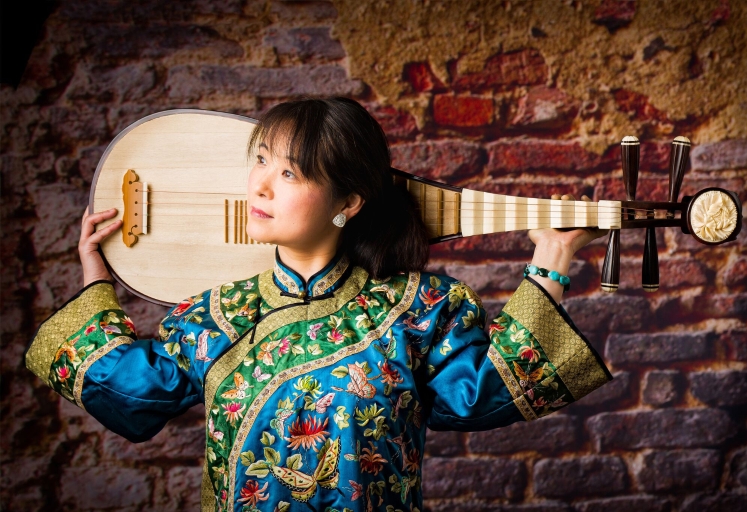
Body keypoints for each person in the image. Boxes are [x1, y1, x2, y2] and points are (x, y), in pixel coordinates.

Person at [25, 97, 612, 512]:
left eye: (289, 171)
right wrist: (95, 277)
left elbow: (490, 393)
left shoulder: (417, 310)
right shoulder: (218, 314)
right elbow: (128, 391)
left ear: (347, 201)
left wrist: (551, 262)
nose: (260, 185)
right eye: (259, 160)